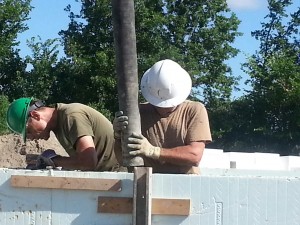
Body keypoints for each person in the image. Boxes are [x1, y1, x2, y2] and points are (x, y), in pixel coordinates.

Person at [113, 59, 212, 174]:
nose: (164, 107)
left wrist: (154, 151)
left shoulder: (194, 110)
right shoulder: (138, 113)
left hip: (186, 184)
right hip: (146, 183)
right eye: (159, 104)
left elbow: (194, 155)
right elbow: (121, 159)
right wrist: (118, 136)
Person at [6, 98, 121, 171]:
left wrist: (54, 160)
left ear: (36, 115)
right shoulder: (59, 125)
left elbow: (88, 162)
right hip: (110, 177)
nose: (31, 138)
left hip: (121, 179)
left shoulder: (71, 116)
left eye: (29, 131)